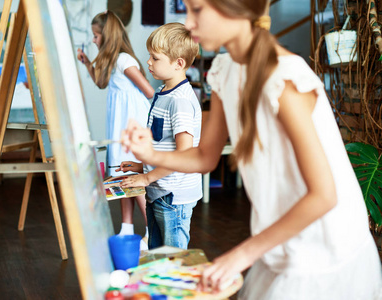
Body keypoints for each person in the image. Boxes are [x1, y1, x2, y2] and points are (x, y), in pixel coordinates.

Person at [120, 0, 382, 299]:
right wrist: (149, 155)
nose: (189, 23)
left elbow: (323, 195)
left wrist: (240, 256)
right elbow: (206, 156)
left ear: (236, 8)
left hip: (324, 249)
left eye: (198, 10)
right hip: (278, 239)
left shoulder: (285, 78)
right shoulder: (223, 68)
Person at [116, 22, 202, 250]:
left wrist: (146, 177)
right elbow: (162, 145)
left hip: (174, 195)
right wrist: (141, 167)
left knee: (172, 260)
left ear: (178, 64)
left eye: (155, 58)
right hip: (159, 189)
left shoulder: (180, 100)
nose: (148, 62)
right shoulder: (163, 93)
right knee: (157, 255)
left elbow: (183, 154)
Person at [77, 11, 154, 249]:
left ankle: (152, 232)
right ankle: (127, 228)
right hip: (120, 128)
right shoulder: (114, 62)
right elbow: (101, 83)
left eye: (96, 36)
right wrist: (88, 63)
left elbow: (150, 92)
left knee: (132, 178)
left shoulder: (124, 61)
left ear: (107, 36)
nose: (94, 40)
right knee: (121, 176)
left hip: (132, 127)